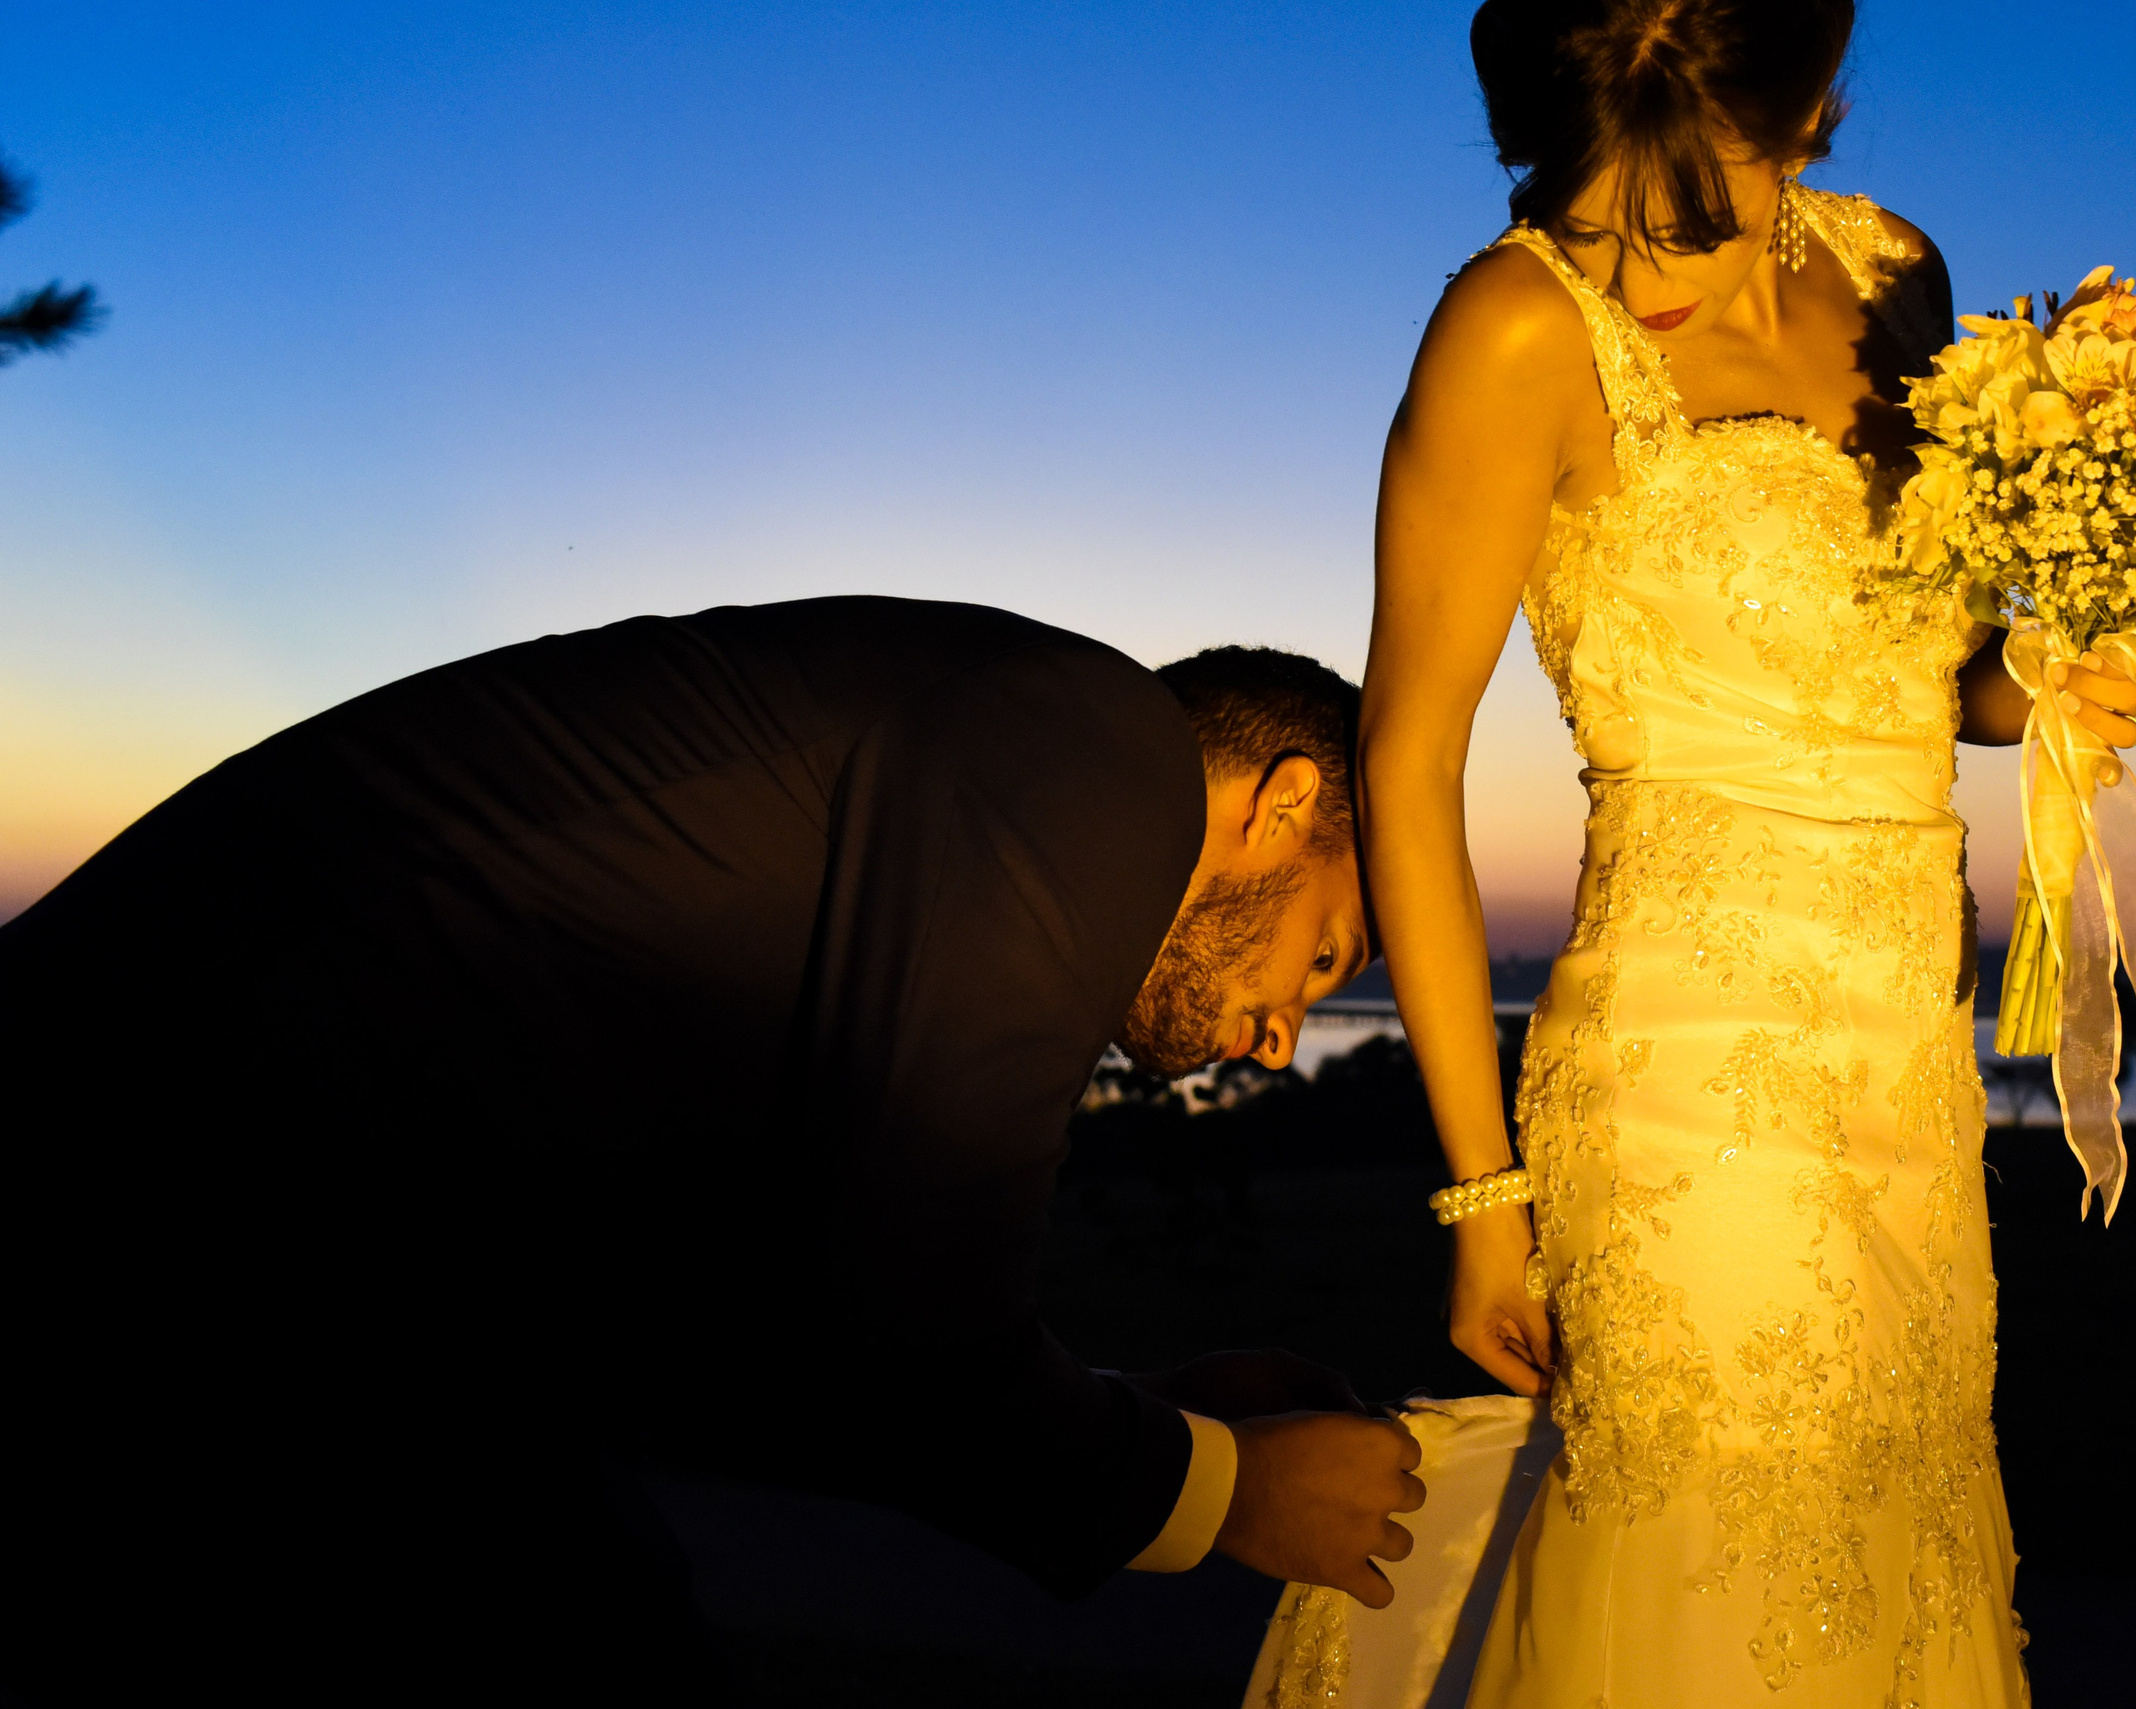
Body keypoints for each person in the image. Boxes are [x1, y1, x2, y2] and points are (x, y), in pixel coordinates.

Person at [0, 595, 1423, 1706]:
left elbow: (803, 1325)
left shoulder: (983, 773)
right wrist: (1222, 1491)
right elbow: (908, 1321)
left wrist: (1138, 1405)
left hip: (307, 1227)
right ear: (1284, 803)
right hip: (173, 1163)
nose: (1285, 1037)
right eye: (1325, 951)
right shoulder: (1102, 746)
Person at [1351, 2, 2136, 1703]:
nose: (1649, 261)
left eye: (1698, 204)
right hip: (1675, 1093)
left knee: (1894, 1562)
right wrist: (1483, 1197)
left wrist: (2068, 663)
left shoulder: (1903, 275)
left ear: (1814, 114)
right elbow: (1406, 764)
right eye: (1597, 206)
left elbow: (1941, 685)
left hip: (1909, 1083)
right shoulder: (1513, 331)